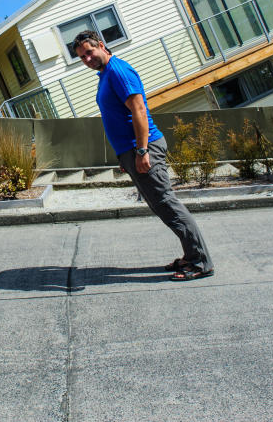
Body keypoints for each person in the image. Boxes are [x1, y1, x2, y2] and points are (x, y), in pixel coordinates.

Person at [72, 30, 214, 281]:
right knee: (162, 206)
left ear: (101, 46)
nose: (87, 59)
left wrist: (141, 151)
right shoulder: (105, 74)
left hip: (144, 148)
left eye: (89, 52)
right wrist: (124, 156)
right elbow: (118, 116)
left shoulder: (117, 71)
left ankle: (200, 262)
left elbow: (138, 110)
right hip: (132, 150)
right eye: (82, 57)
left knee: (168, 205)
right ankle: (192, 256)